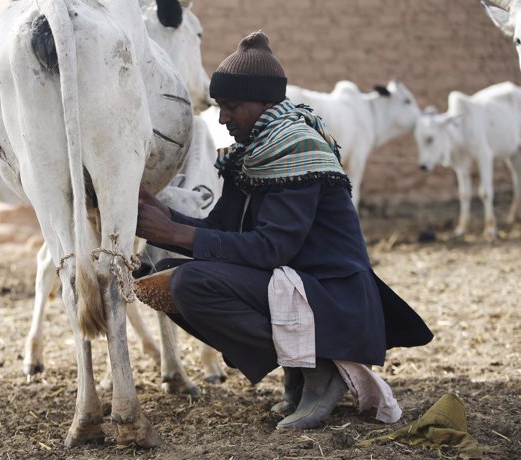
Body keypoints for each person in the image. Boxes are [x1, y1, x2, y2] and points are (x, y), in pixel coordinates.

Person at [136, 30, 433, 430]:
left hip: (332, 296)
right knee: (166, 279)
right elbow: (222, 230)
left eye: (232, 106)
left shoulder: (296, 147)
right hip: (295, 285)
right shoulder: (254, 151)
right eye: (220, 106)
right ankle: (298, 371)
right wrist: (161, 218)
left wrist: (174, 233)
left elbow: (271, 248)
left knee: (191, 284)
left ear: (266, 103)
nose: (222, 118)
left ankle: (318, 371)